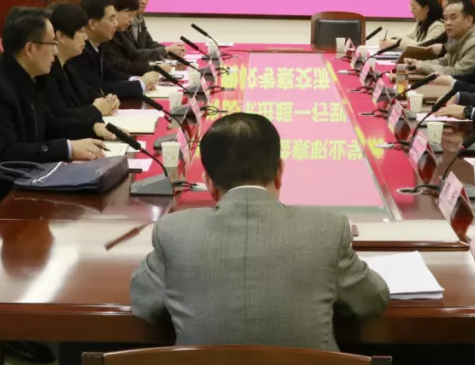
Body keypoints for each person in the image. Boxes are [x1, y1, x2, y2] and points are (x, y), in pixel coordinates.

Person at [130, 113, 389, 350]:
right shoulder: (327, 230)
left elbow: (143, 304)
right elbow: (373, 299)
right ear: (279, 171)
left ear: (208, 182)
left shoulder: (174, 233)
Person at [0, 7, 106, 249]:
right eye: (52, 43)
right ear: (30, 48)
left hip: (19, 189)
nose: (55, 51)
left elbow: (48, 124)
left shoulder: (27, 78)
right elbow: (6, 155)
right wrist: (67, 149)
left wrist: (91, 128)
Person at [66, 0, 159, 100]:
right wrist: (140, 84)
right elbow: (99, 88)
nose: (116, 24)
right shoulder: (79, 51)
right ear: (92, 24)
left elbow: (110, 73)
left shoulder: (98, 45)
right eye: (111, 19)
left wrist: (137, 80)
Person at [45, 2, 120, 137]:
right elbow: (58, 117)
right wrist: (95, 110)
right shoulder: (46, 72)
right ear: (60, 36)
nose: (85, 37)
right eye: (80, 31)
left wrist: (108, 101)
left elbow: (87, 96)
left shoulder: (69, 65)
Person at [405, 0, 475, 77]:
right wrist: (417, 63)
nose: (447, 23)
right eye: (445, 18)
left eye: (453, 17)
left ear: (468, 20)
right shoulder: (454, 37)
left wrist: (422, 66)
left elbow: (458, 72)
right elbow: (445, 61)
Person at [102, 0, 168, 77]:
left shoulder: (123, 30)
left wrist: (163, 53)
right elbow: (118, 65)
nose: (131, 20)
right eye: (129, 15)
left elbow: (134, 55)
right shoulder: (106, 34)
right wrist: (152, 68)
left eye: (133, 16)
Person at [119, 0, 187, 59]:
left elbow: (149, 44)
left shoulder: (139, 18)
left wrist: (170, 51)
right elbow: (133, 54)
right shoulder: (120, 22)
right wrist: (166, 50)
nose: (144, 1)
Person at [378, 0, 444, 50]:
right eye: (410, 6)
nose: (411, 11)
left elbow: (423, 47)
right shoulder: (421, 22)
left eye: (414, 7)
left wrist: (397, 42)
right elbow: (407, 36)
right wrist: (391, 39)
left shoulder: (438, 26)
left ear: (426, 8)